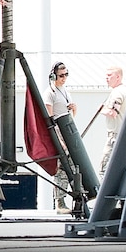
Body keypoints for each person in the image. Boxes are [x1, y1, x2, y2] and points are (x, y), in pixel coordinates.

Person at [45, 63, 77, 211]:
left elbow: (70, 116)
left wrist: (73, 109)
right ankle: (60, 201)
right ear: (54, 76)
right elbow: (49, 118)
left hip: (67, 131)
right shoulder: (50, 92)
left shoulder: (64, 91)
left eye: (66, 74)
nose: (64, 78)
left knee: (71, 166)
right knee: (62, 167)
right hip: (58, 131)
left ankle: (72, 198)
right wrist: (58, 139)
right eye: (61, 75)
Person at [100, 65, 126, 175]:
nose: (107, 78)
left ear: (118, 77)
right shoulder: (125, 91)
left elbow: (112, 112)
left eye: (109, 75)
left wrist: (102, 109)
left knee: (105, 168)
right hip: (122, 135)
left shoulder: (118, 93)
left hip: (115, 135)